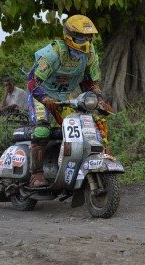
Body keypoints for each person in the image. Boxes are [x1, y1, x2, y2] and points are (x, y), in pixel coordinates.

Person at [27, 14, 112, 188]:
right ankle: (36, 174)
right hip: (40, 96)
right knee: (42, 130)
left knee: (86, 126)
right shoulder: (54, 53)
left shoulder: (89, 55)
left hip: (64, 98)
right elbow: (32, 81)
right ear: (69, 36)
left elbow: (90, 83)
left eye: (88, 37)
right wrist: (44, 98)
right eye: (81, 37)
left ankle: (88, 167)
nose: (86, 42)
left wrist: (100, 101)